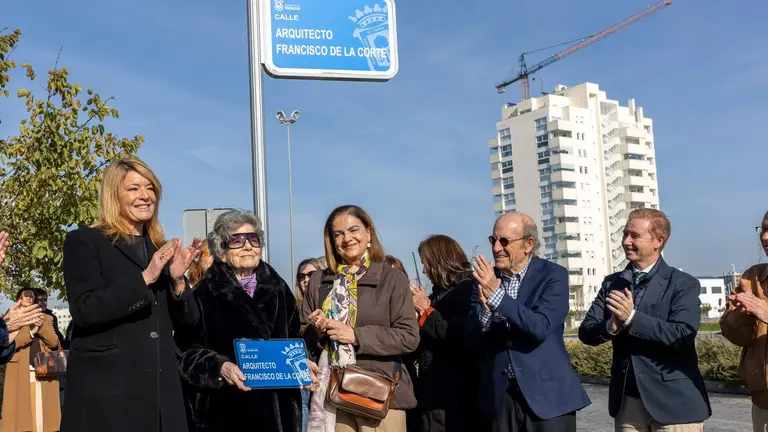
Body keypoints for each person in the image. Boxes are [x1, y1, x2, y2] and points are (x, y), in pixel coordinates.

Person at [61, 157, 202, 432]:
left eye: (150, 188)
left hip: (162, 397)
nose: (145, 196)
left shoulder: (161, 249)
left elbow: (189, 323)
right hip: (110, 396)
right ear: (115, 195)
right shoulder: (85, 241)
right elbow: (85, 309)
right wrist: (145, 278)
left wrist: (176, 282)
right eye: (134, 188)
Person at [176, 209, 316, 432]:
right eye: (237, 240)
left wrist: (302, 361)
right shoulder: (203, 294)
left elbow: (292, 337)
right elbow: (185, 354)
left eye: (253, 239)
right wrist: (220, 367)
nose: (248, 246)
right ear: (222, 250)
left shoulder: (279, 288)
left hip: (280, 412)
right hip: (226, 413)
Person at [579, 208, 711, 431]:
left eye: (635, 235)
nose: (626, 241)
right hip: (628, 403)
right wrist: (611, 326)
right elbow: (587, 332)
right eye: (625, 234)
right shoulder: (612, 283)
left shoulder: (682, 283)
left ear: (658, 241)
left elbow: (681, 336)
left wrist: (631, 319)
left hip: (674, 405)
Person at [467, 211, 590, 432]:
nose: (496, 248)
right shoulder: (483, 280)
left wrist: (497, 297)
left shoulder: (553, 275)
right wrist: (485, 313)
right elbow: (471, 341)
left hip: (547, 399)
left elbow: (540, 326)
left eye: (504, 241)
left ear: (528, 244)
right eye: (493, 240)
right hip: (500, 400)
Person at [302, 205, 419, 432]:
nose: (347, 238)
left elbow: (409, 337)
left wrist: (355, 335)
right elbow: (303, 334)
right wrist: (317, 328)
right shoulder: (319, 280)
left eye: (353, 230)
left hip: (378, 396)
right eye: (339, 234)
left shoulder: (391, 279)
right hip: (332, 397)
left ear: (368, 232)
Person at [409, 234, 482, 432]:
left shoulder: (466, 289)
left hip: (455, 393)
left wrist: (426, 310)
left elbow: (455, 336)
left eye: (427, 264)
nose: (424, 271)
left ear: (439, 261)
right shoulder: (436, 294)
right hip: (432, 391)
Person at [720, 210, 768, 431]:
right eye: (763, 229)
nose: (765, 237)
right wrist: (742, 314)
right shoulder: (753, 277)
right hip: (763, 403)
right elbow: (736, 336)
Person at [0, 288, 62, 432]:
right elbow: (9, 344)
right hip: (20, 370)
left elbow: (54, 342)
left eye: (31, 297)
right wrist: (30, 332)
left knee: (43, 414)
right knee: (22, 413)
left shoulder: (47, 318)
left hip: (44, 370)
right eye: (26, 297)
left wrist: (40, 327)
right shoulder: (11, 318)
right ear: (18, 300)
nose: (29, 299)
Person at [295, 256, 328, 432]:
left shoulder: (333, 302)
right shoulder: (293, 309)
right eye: (301, 276)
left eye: (311, 274)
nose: (306, 279)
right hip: (305, 380)